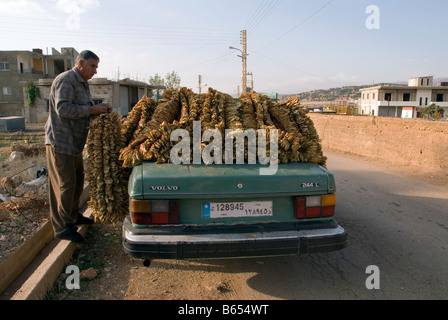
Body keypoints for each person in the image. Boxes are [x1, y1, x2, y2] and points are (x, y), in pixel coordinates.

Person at [45, 50, 112, 244]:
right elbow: (63, 108)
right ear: (80, 63)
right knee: (65, 185)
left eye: (96, 67)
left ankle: (73, 217)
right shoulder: (66, 80)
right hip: (61, 141)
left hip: (74, 143)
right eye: (92, 66)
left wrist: (99, 108)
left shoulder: (82, 84)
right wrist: (91, 110)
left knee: (77, 181)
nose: (95, 71)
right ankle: (61, 227)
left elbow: (83, 105)